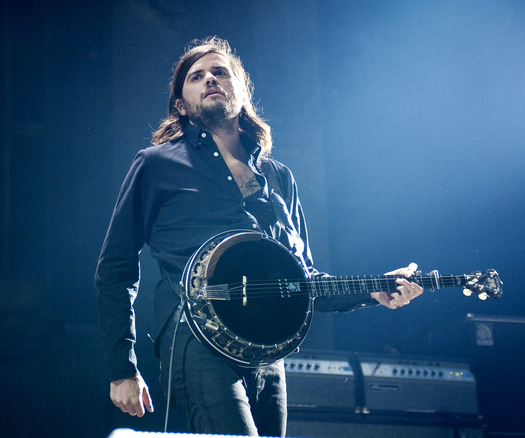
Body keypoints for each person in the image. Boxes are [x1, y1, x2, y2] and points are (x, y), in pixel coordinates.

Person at [95, 36, 423, 436]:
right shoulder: (157, 164)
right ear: (181, 104)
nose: (210, 79)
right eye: (196, 77)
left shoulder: (278, 177)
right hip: (195, 339)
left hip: (268, 350)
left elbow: (301, 281)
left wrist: (373, 290)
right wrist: (122, 369)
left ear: (241, 89)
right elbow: (115, 269)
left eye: (220, 71)